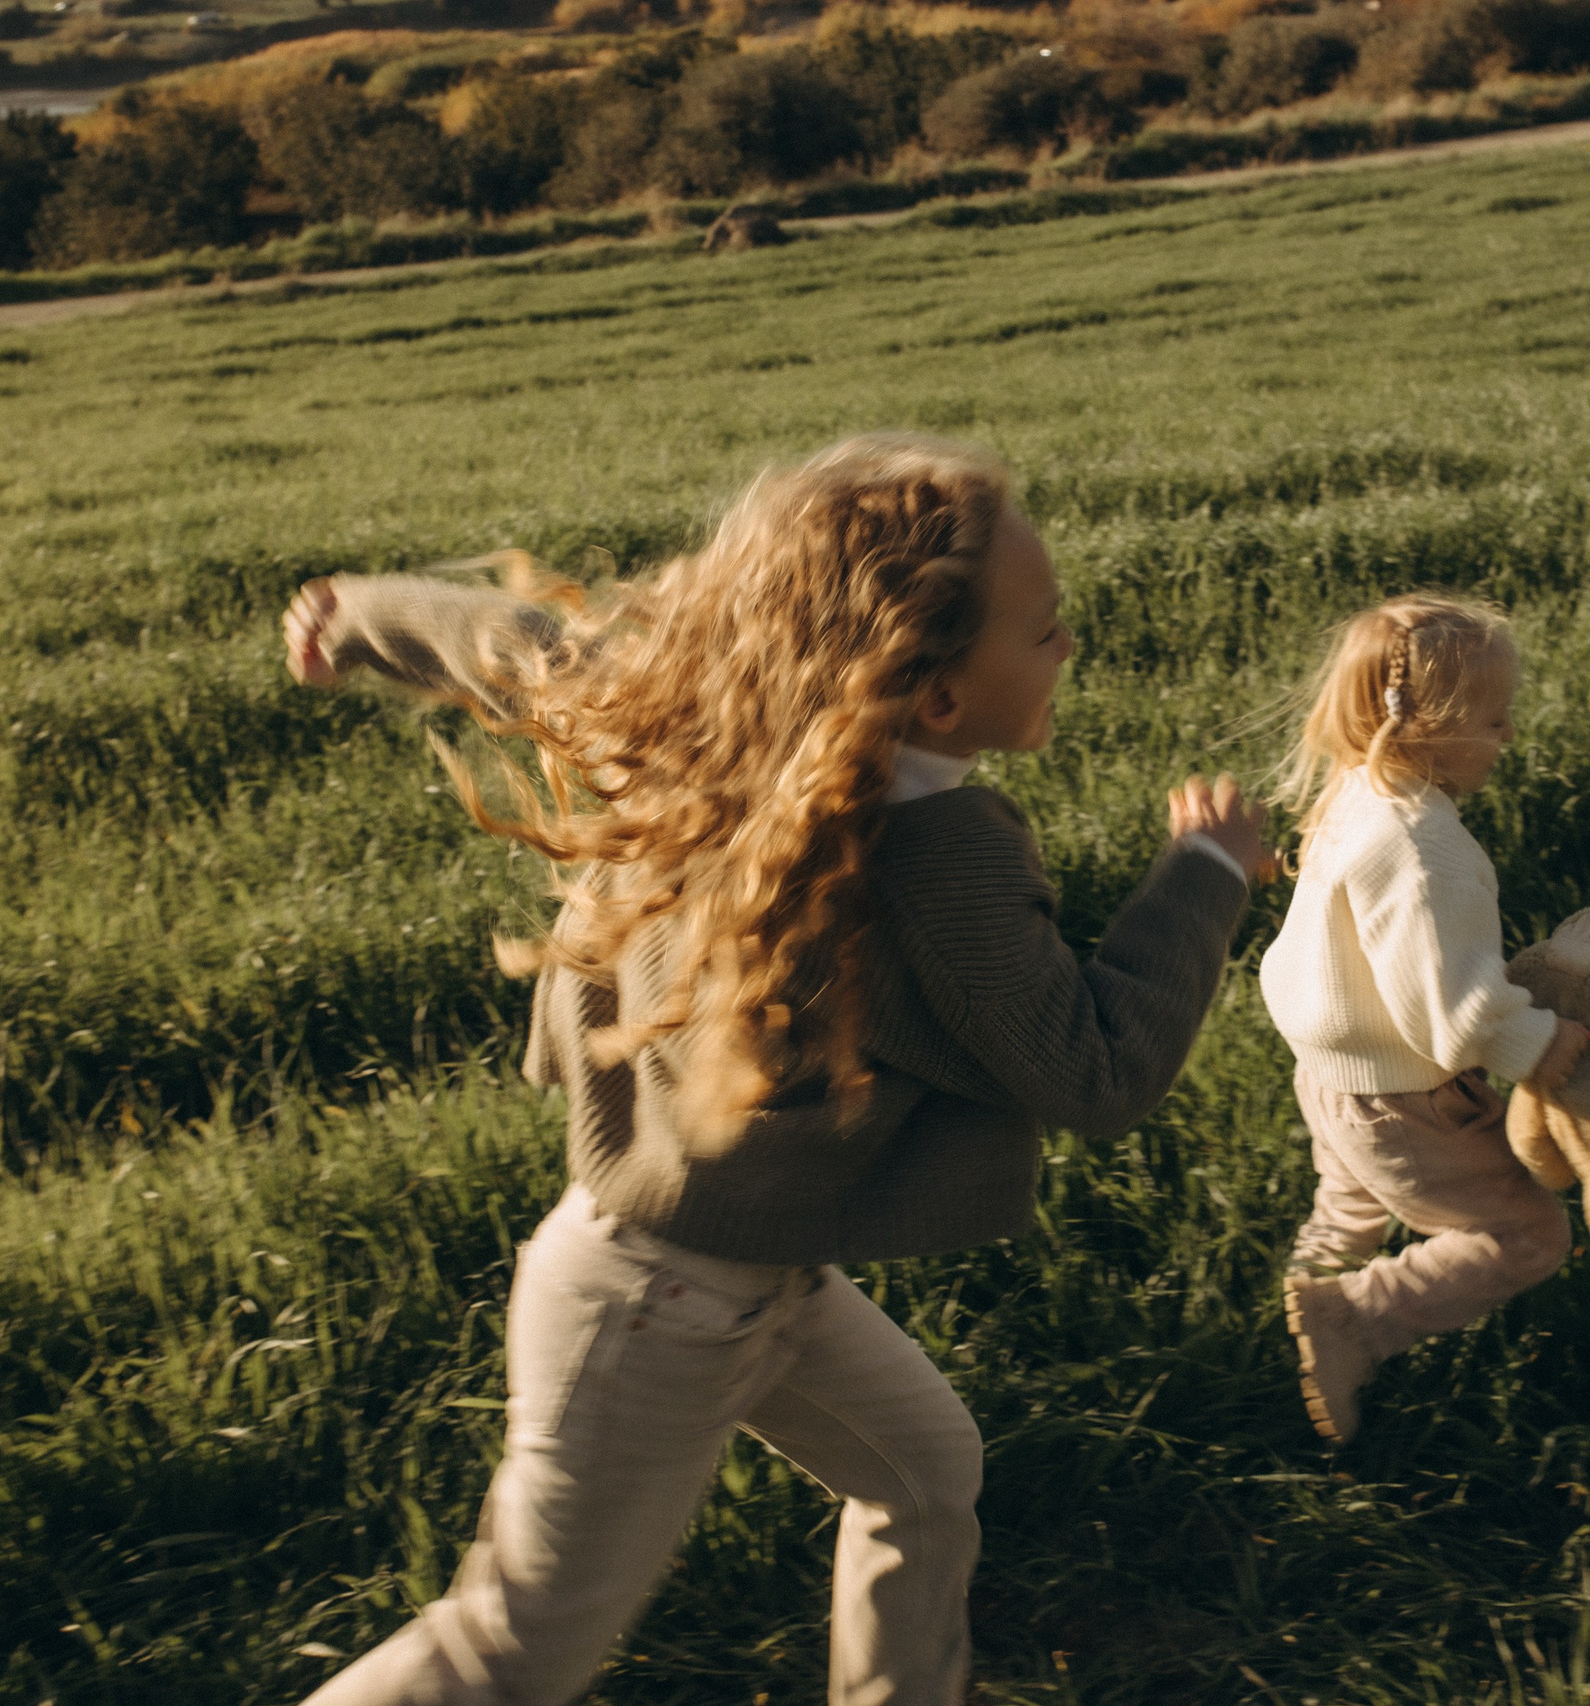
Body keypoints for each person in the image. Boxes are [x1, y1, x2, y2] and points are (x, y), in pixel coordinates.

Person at [279, 433, 1267, 1706]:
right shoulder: (934, 859)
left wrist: (360, 614)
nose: (1066, 644)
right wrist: (1203, 877)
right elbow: (1094, 1066)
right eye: (1045, 628)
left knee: (923, 1469)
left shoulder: (727, 727)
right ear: (939, 700)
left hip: (736, 1273)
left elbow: (520, 650)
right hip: (656, 1310)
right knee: (512, 1647)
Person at [1258, 592, 1590, 1446]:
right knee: (1525, 1235)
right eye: (1494, 719)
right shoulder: (1422, 847)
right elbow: (1451, 1010)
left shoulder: (1358, 792)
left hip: (1332, 1078)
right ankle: (1356, 1321)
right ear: (1426, 729)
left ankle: (1281, 1339)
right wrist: (1537, 1044)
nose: (1507, 736)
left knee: (1351, 1205)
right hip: (1404, 1098)